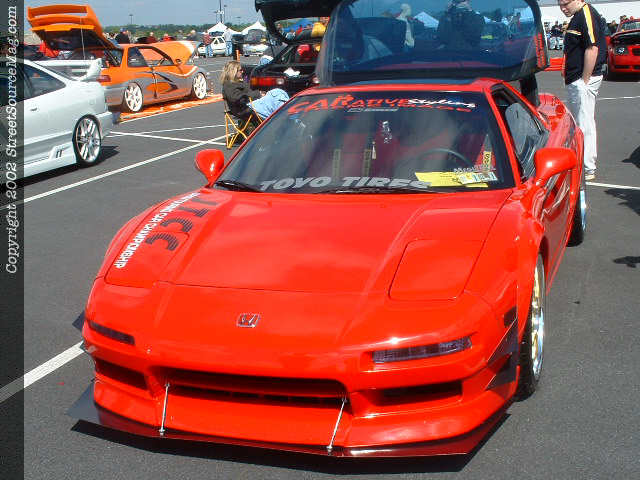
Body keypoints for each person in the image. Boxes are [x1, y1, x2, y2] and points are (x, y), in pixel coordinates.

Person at [559, 0, 607, 181]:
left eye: (566, 3)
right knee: (579, 122)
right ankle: (582, 162)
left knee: (584, 123)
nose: (563, 8)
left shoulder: (586, 15)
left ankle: (587, 166)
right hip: (576, 78)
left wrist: (584, 81)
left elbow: (592, 48)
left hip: (583, 79)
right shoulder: (577, 17)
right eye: (560, 4)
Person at [220, 60, 289, 119]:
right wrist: (258, 94)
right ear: (233, 72)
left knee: (277, 92)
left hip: (251, 104)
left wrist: (259, 93)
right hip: (246, 108)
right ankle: (285, 116)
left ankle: (285, 114)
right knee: (276, 94)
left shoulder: (237, 82)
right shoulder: (228, 85)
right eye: (240, 70)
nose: (243, 71)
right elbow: (236, 98)